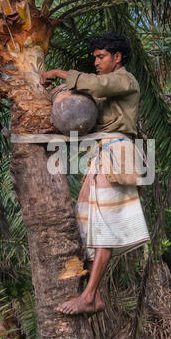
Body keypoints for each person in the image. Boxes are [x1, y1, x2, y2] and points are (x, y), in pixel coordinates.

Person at [40, 32, 150, 315]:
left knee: (104, 229)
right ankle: (96, 295)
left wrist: (57, 73)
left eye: (101, 57)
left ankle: (88, 297)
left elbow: (96, 84)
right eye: (95, 58)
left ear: (117, 58)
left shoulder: (124, 80)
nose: (97, 62)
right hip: (103, 155)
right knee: (86, 221)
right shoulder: (107, 90)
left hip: (118, 155)